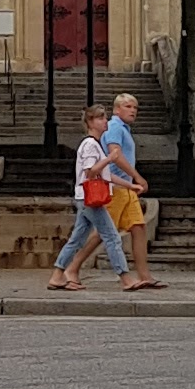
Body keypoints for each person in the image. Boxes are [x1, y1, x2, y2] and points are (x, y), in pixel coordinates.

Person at [50, 109, 121, 290]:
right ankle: (125, 276)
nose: (105, 121)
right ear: (90, 122)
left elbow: (104, 174)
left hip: (84, 196)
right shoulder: (90, 144)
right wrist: (110, 158)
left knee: (77, 239)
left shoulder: (94, 144)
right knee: (111, 236)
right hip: (89, 197)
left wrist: (130, 185)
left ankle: (58, 275)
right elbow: (91, 172)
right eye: (100, 117)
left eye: (105, 117)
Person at [103, 86, 161, 290]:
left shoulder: (123, 129)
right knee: (101, 232)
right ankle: (70, 268)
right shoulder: (114, 127)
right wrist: (137, 176)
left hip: (126, 188)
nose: (133, 110)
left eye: (135, 107)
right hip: (116, 187)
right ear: (116, 109)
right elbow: (115, 155)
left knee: (139, 227)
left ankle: (145, 276)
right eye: (128, 106)